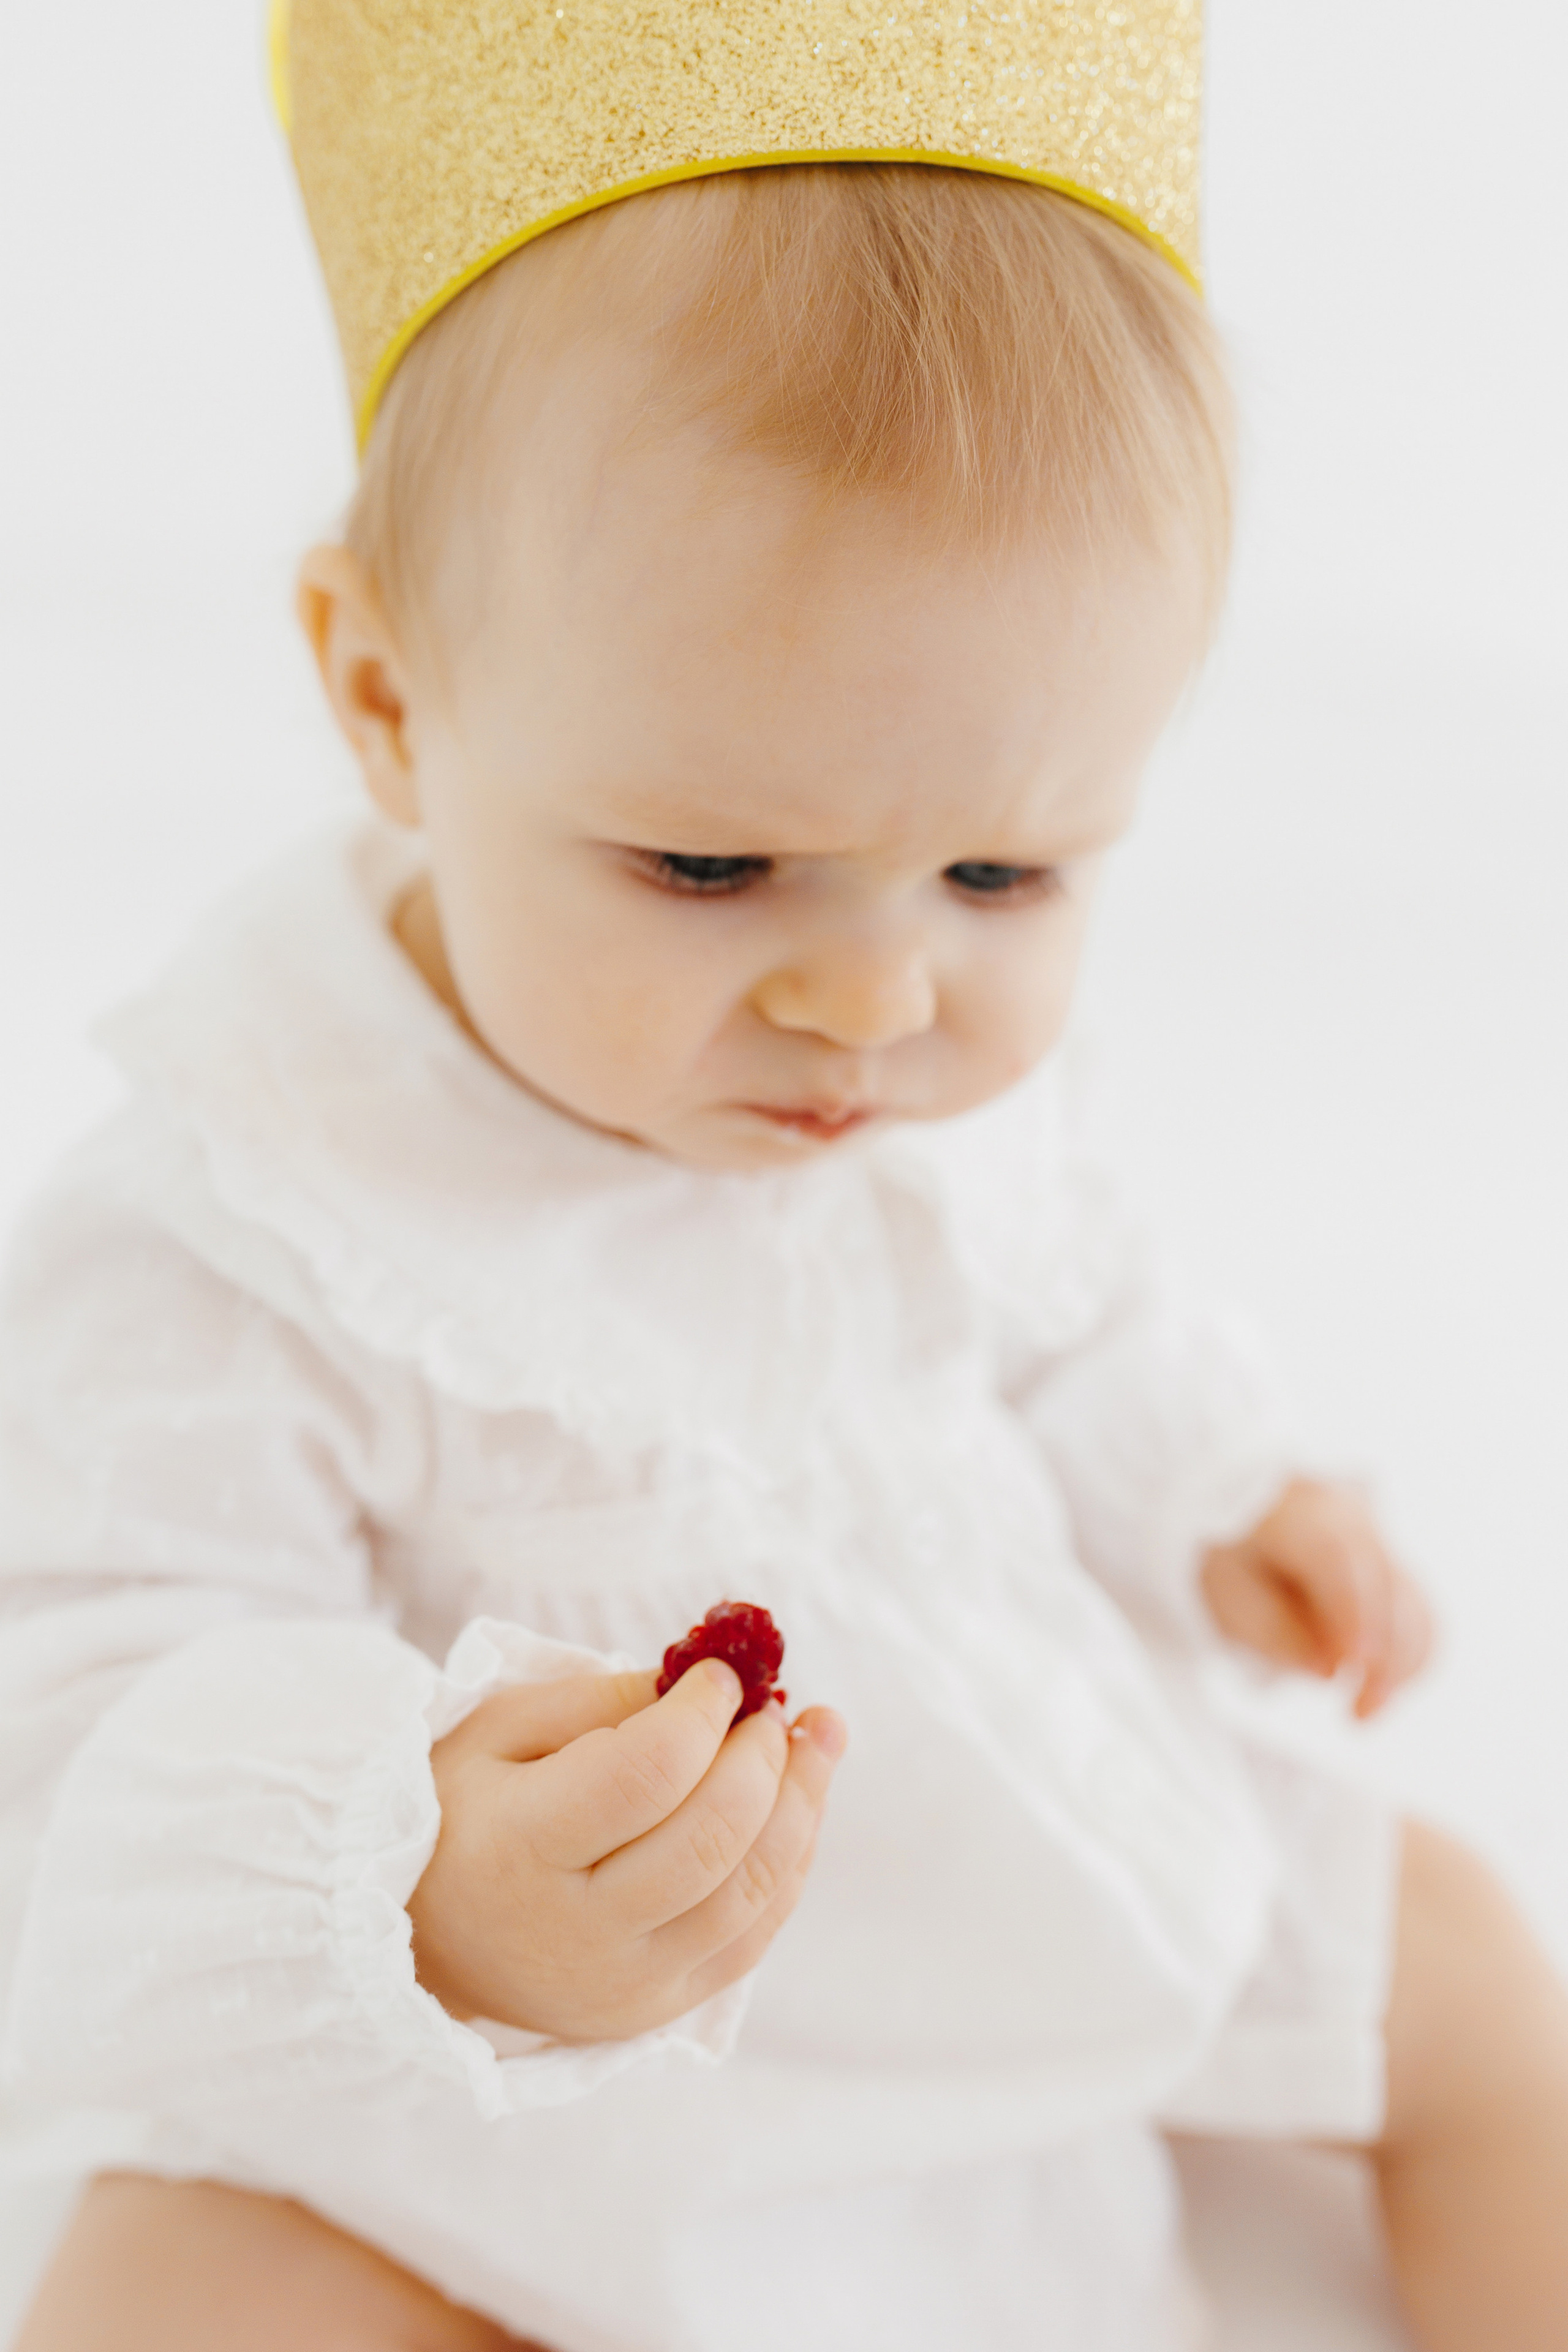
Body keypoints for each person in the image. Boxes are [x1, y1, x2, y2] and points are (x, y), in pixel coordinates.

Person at [5, 6, 1568, 2348]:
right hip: (562, 2060)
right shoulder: (255, 1221)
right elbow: (78, 1713)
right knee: (178, 2278)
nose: (877, 1004)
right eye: (714, 862)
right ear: (391, 695)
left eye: (1013, 877)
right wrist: (420, 1882)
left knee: (1450, 1950)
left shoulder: (917, 1050)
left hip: (997, 1865)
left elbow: (1064, 1291)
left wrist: (1216, 1491)